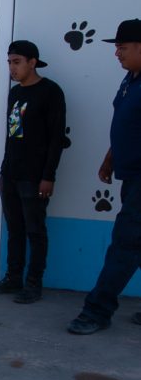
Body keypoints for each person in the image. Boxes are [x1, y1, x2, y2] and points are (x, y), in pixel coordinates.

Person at [67, 19, 141, 335]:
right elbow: (125, 121)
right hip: (131, 175)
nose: (116, 53)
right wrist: (111, 157)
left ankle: (96, 311)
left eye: (122, 47)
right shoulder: (130, 80)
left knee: (126, 243)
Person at [0, 40, 67, 304]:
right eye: (9, 62)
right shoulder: (15, 93)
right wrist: (2, 172)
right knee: (15, 229)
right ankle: (13, 278)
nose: (12, 67)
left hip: (35, 176)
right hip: (11, 174)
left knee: (35, 230)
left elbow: (56, 139)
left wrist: (48, 176)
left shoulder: (51, 92)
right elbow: (11, 135)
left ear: (32, 62)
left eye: (17, 61)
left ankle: (33, 284)